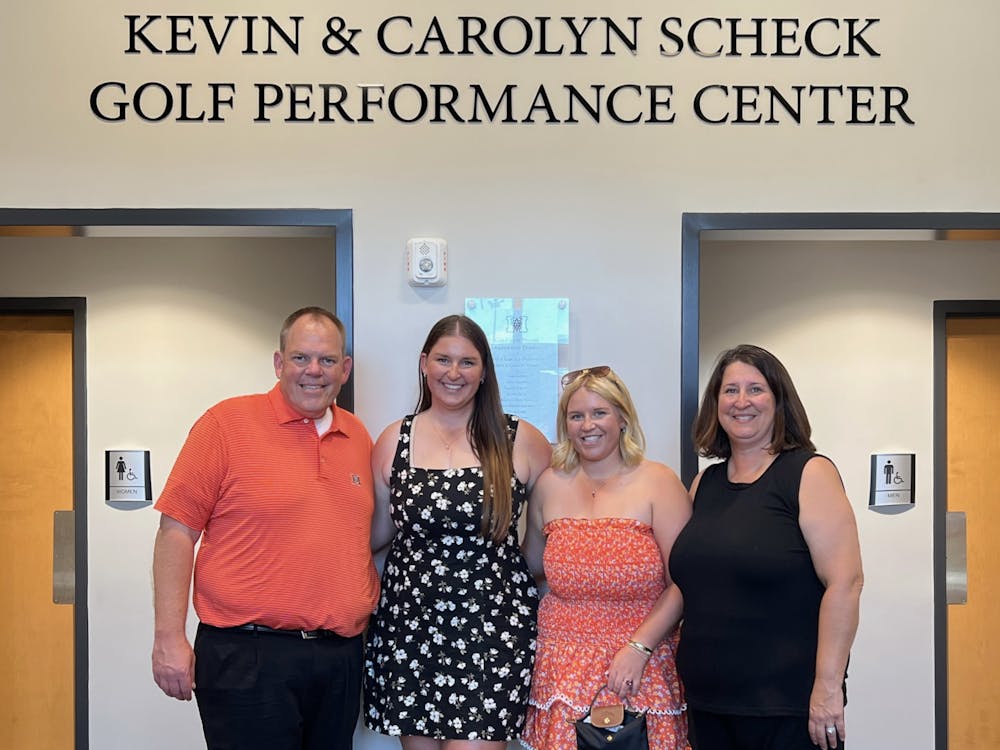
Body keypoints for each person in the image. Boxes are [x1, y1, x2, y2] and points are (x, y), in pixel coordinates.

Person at [151, 306, 379, 750]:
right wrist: (168, 638)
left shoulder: (358, 437)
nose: (313, 371)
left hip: (339, 659)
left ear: (345, 369)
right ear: (279, 363)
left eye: (328, 360)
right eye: (300, 358)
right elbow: (176, 532)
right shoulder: (225, 425)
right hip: (247, 655)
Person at [364, 314, 552, 749]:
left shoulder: (520, 439)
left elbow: (551, 535)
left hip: (493, 628)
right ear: (424, 363)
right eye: (443, 360)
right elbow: (374, 535)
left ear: (484, 371)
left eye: (467, 362)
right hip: (410, 625)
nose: (454, 373)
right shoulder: (394, 440)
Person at [669, 344, 864, 750]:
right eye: (730, 390)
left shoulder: (809, 472)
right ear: (715, 403)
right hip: (707, 703)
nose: (742, 401)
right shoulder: (705, 483)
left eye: (755, 389)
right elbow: (688, 587)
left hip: (786, 707)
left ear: (779, 400)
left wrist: (827, 688)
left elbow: (845, 583)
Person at [520, 366, 690, 750]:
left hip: (639, 664)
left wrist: (639, 648)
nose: (587, 425)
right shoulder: (549, 485)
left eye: (599, 413)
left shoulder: (659, 482)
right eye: (576, 416)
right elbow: (531, 567)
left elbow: (683, 581)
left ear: (623, 418)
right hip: (561, 666)